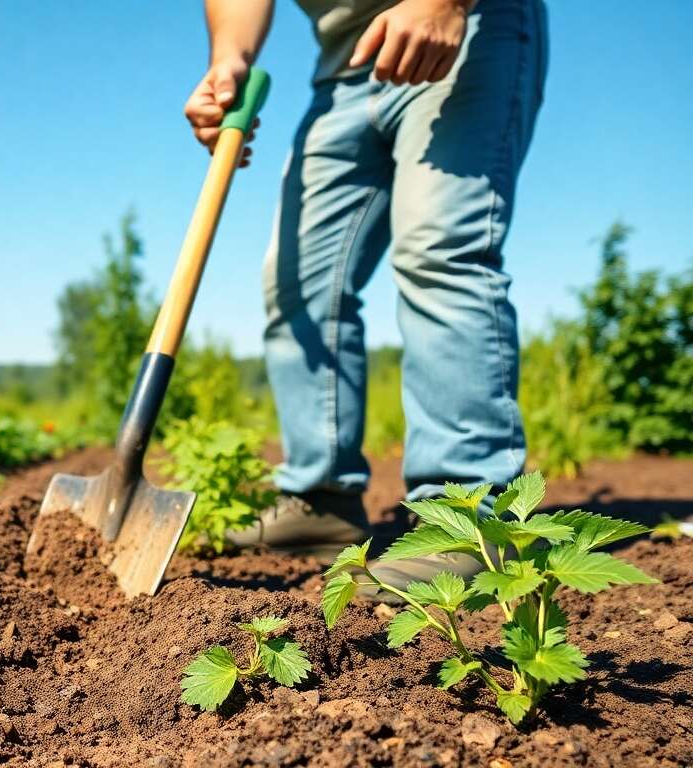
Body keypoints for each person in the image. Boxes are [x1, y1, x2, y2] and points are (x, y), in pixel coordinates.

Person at [185, 0, 547, 585]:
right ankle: (321, 500)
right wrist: (229, 57)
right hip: (344, 69)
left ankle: (468, 521)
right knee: (298, 280)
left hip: (467, 30)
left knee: (440, 252)